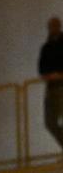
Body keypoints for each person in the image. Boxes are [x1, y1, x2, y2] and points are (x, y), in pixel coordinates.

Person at [39, 16, 63, 148]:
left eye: (55, 25)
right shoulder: (46, 47)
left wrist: (59, 75)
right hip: (51, 89)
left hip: (61, 87)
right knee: (49, 122)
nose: (53, 28)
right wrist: (50, 76)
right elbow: (41, 69)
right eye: (51, 26)